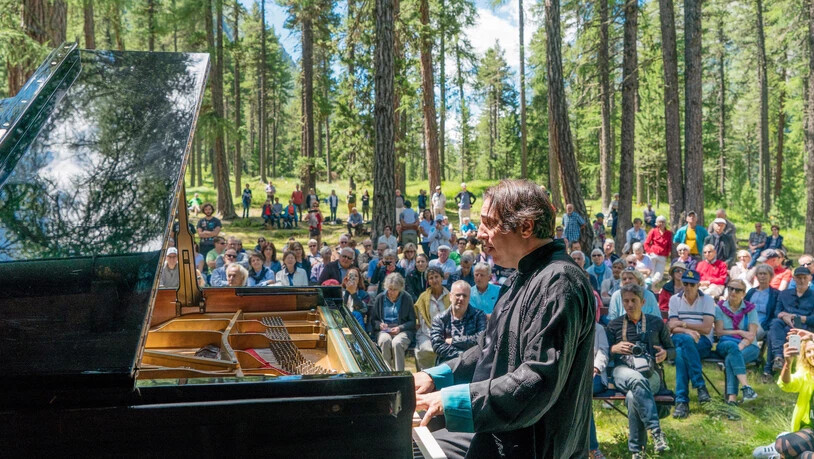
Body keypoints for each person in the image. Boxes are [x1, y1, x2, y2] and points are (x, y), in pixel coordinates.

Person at [413, 179, 595, 458]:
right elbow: (488, 349)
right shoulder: (520, 277)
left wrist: (452, 401)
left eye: (489, 223)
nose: (479, 233)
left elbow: (537, 380)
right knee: (411, 443)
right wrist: (434, 377)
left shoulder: (560, 282)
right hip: (498, 430)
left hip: (534, 445)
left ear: (526, 227)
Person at [606, 284, 674, 456]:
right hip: (622, 371)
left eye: (634, 300)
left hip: (651, 373)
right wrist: (614, 348)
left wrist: (665, 354)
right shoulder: (614, 325)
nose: (630, 305)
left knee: (632, 397)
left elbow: (673, 350)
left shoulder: (656, 323)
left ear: (643, 302)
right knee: (636, 380)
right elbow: (602, 353)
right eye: (626, 301)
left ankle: (637, 451)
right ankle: (656, 432)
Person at [668, 269, 716, 419]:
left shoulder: (707, 300)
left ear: (698, 285)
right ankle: (699, 386)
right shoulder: (674, 299)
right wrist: (688, 331)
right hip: (680, 338)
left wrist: (683, 324)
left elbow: (706, 328)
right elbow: (671, 327)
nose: (688, 287)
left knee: (681, 355)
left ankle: (681, 402)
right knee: (685, 341)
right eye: (686, 283)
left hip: (702, 341)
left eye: (692, 284)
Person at [766, 332, 814, 459]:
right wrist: (788, 363)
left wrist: (811, 335)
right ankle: (789, 448)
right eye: (808, 352)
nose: (812, 355)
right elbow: (787, 384)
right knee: (782, 444)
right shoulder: (807, 375)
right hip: (811, 430)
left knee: (804, 455)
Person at [714, 279, 760, 404]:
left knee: (731, 359)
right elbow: (719, 332)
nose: (733, 292)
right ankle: (746, 388)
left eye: (738, 290)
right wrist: (739, 332)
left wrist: (740, 346)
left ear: (743, 294)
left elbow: (751, 335)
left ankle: (732, 399)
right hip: (726, 344)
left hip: (749, 346)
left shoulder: (750, 309)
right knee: (731, 349)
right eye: (731, 288)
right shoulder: (720, 308)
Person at [769, 267, 814, 373]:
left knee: (772, 334)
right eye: (799, 278)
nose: (802, 280)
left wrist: (795, 317)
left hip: (804, 325)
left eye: (804, 278)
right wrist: (784, 316)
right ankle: (778, 358)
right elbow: (777, 312)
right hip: (785, 322)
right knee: (775, 323)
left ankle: (772, 367)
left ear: (810, 278)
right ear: (794, 279)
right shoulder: (784, 294)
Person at [430, 280, 487, 365]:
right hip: (447, 363)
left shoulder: (479, 316)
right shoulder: (439, 319)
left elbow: (482, 339)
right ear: (450, 296)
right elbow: (437, 345)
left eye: (464, 296)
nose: (461, 298)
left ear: (469, 298)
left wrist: (454, 341)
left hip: (473, 363)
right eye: (458, 295)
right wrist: (461, 356)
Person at [370, 273, 416, 371]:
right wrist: (380, 325)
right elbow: (373, 320)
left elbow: (412, 322)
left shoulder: (407, 298)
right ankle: (386, 372)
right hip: (384, 331)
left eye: (395, 289)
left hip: (402, 331)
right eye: (390, 289)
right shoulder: (380, 298)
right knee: (385, 340)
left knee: (397, 343)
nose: (391, 292)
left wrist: (400, 328)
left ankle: (399, 374)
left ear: (400, 289)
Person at [414, 267, 450, 370]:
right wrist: (434, 335)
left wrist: (444, 334)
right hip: (427, 333)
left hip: (447, 333)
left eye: (436, 277)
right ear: (428, 281)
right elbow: (422, 321)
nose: (434, 280)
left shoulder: (450, 296)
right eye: (431, 278)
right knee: (426, 350)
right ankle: (426, 375)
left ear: (442, 278)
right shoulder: (423, 298)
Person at [589, 322, 610, 459]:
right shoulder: (569, 326)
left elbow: (603, 353)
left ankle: (592, 448)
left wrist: (595, 368)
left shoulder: (598, 329)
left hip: (595, 377)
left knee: (581, 396)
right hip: (574, 379)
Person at [644, 216, 672, 283]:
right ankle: (650, 287)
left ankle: (649, 284)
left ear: (665, 223)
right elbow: (646, 243)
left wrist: (667, 254)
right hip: (653, 255)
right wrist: (649, 252)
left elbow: (669, 245)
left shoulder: (669, 233)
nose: (661, 223)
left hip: (662, 256)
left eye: (663, 222)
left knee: (659, 277)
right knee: (650, 274)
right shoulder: (653, 231)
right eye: (660, 222)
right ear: (656, 223)